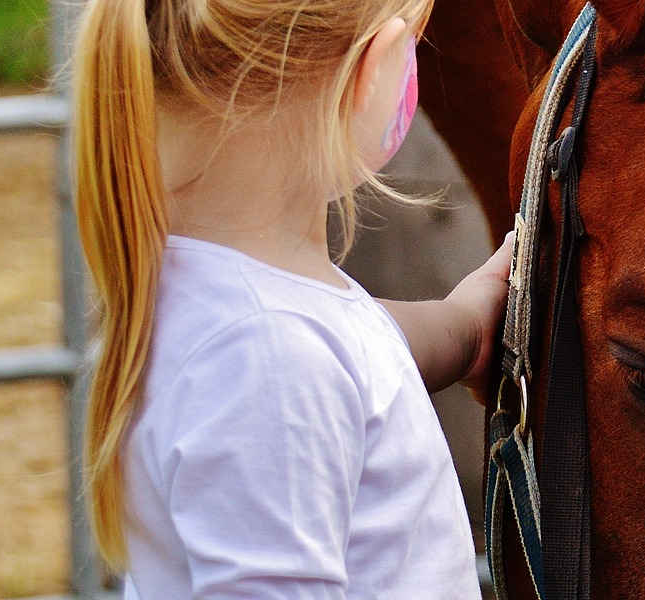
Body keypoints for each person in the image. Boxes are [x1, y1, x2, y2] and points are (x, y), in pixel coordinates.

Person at [68, 0, 504, 596]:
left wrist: (468, 326)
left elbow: (360, 348)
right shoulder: (267, 357)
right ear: (374, 67)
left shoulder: (235, 307)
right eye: (414, 48)